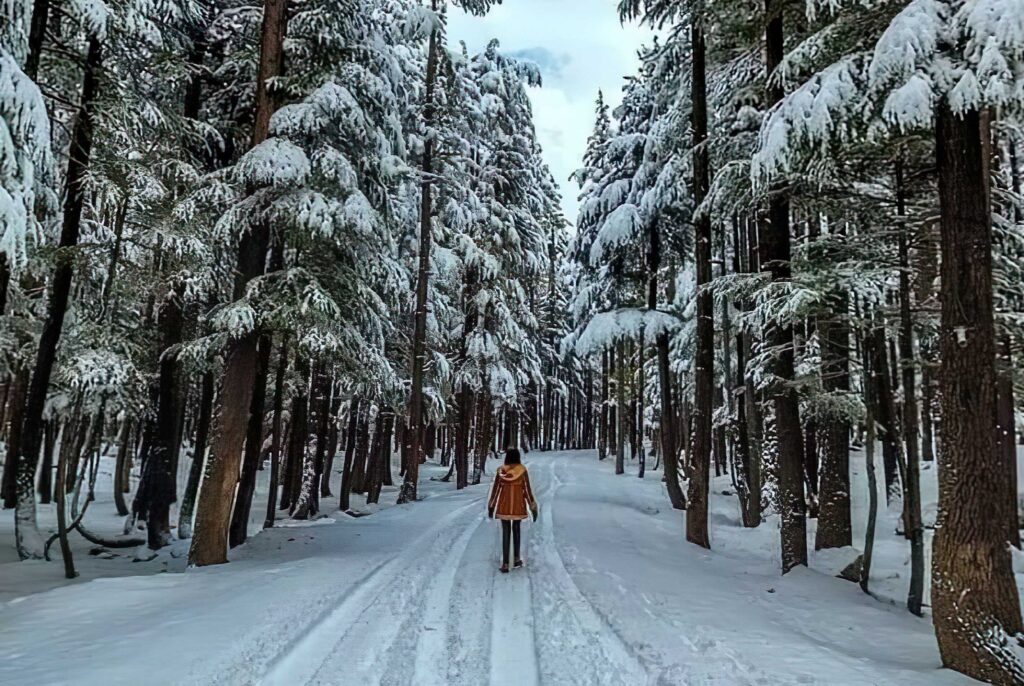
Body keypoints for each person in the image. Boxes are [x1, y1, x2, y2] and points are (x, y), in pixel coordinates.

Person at [487, 447, 538, 573]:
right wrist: (532, 506)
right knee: (516, 530)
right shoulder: (522, 471)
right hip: (518, 506)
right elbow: (527, 490)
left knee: (505, 532)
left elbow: (495, 490)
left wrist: (491, 505)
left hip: (503, 506)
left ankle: (505, 563)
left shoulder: (501, 471)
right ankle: (516, 558)